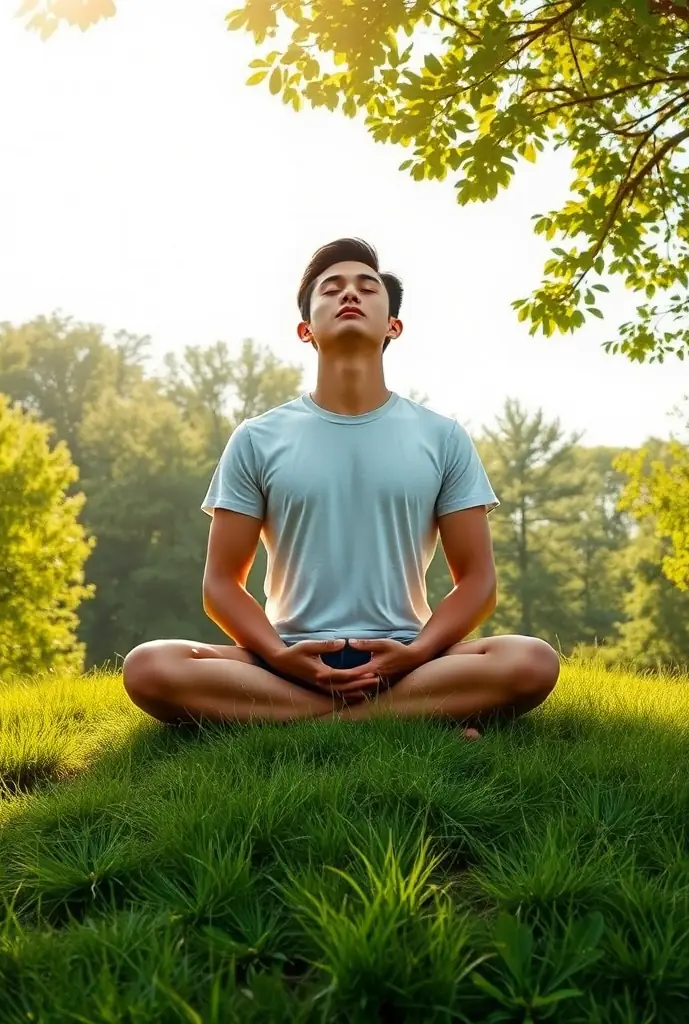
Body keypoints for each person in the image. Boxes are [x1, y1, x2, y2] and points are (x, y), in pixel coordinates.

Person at [122, 238, 560, 737]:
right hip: (288, 660)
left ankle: (310, 718)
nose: (349, 294)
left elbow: (478, 582)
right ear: (305, 329)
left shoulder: (443, 437)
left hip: (405, 661)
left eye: (367, 287)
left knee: (531, 660)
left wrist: (416, 653)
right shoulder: (256, 438)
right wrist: (280, 657)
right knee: (149, 667)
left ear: (393, 324)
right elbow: (220, 585)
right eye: (331, 289)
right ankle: (406, 718)